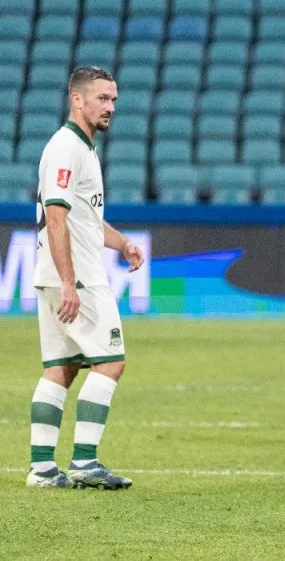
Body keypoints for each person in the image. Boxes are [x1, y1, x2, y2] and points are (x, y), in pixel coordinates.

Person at [27, 66, 145, 490]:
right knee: (111, 361)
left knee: (62, 368)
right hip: (75, 277)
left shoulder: (82, 148)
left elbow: (84, 218)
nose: (110, 106)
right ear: (77, 99)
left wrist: (123, 243)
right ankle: (84, 462)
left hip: (55, 274)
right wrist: (69, 282)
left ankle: (42, 469)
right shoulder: (66, 149)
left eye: (113, 99)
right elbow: (56, 219)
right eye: (101, 98)